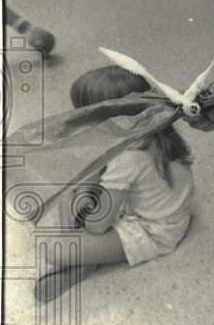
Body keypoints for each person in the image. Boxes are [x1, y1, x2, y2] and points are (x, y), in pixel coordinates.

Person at [34, 66, 195, 303]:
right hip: (151, 211)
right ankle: (85, 256)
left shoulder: (129, 157)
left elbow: (98, 225)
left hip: (152, 233)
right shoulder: (156, 130)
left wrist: (86, 205)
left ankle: (82, 262)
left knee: (54, 248)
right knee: (74, 194)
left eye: (86, 115)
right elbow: (102, 170)